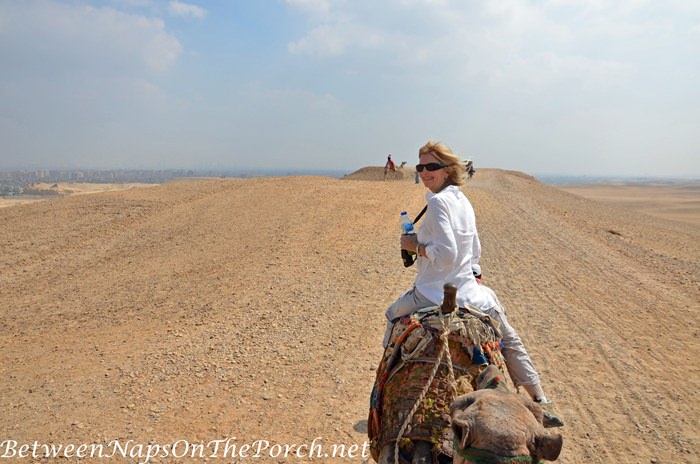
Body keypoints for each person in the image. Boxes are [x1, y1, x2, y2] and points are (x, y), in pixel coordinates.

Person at [383, 140, 564, 428]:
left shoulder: (438, 201)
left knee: (392, 315)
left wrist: (414, 245)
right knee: (509, 338)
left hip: (432, 293)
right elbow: (474, 249)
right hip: (473, 293)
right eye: (421, 167)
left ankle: (382, 394)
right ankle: (541, 401)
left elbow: (446, 254)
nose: (425, 172)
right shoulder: (462, 200)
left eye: (432, 166)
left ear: (447, 170)